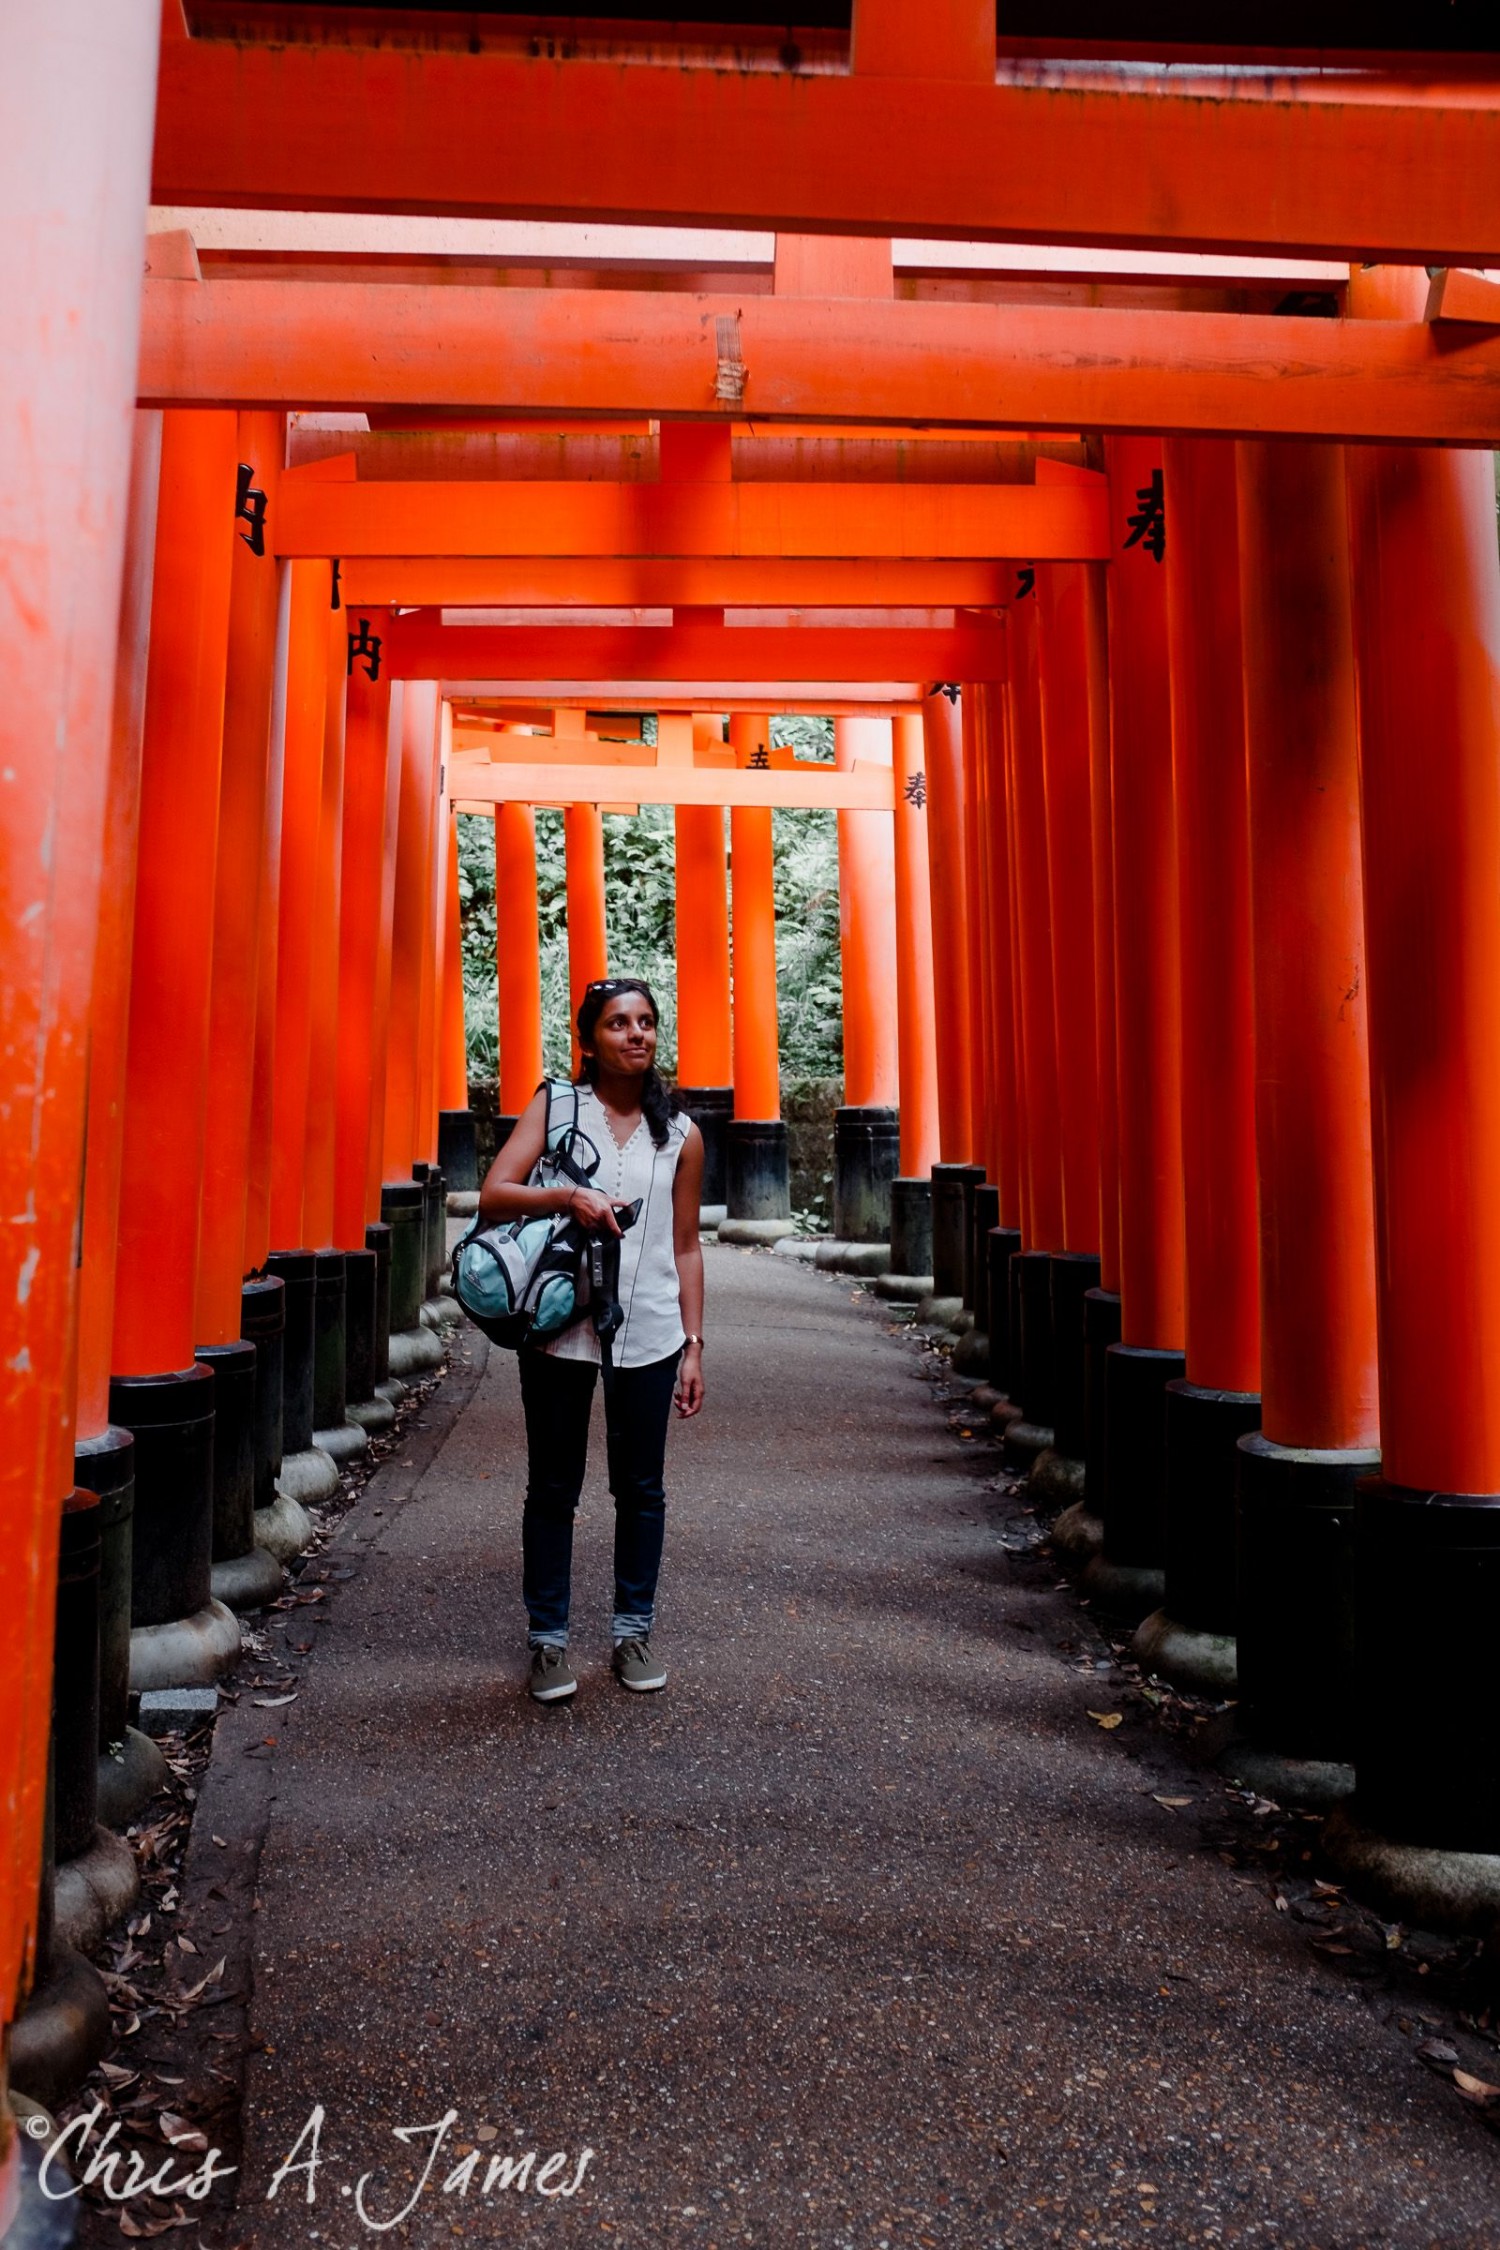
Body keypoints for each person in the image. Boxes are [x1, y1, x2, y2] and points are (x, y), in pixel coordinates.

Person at [478, 977, 705, 1703]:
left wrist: (695, 1343)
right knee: (553, 1485)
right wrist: (567, 1195)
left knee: (641, 1488)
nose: (635, 1035)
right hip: (559, 1325)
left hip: (651, 1329)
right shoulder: (557, 1105)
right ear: (589, 1038)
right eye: (617, 1024)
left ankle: (631, 1634)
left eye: (645, 1023)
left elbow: (687, 1244)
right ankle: (549, 1642)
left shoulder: (681, 1134)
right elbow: (494, 1192)